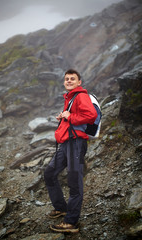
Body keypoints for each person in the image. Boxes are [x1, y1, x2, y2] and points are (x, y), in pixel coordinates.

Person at [44, 69, 97, 233]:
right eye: (66, 79)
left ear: (79, 82)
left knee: (74, 182)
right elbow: (74, 117)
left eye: (72, 79)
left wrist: (70, 117)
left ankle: (71, 222)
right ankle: (61, 207)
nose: (68, 81)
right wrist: (64, 117)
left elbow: (91, 115)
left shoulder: (80, 95)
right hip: (67, 143)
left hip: (76, 143)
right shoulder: (70, 98)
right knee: (49, 173)